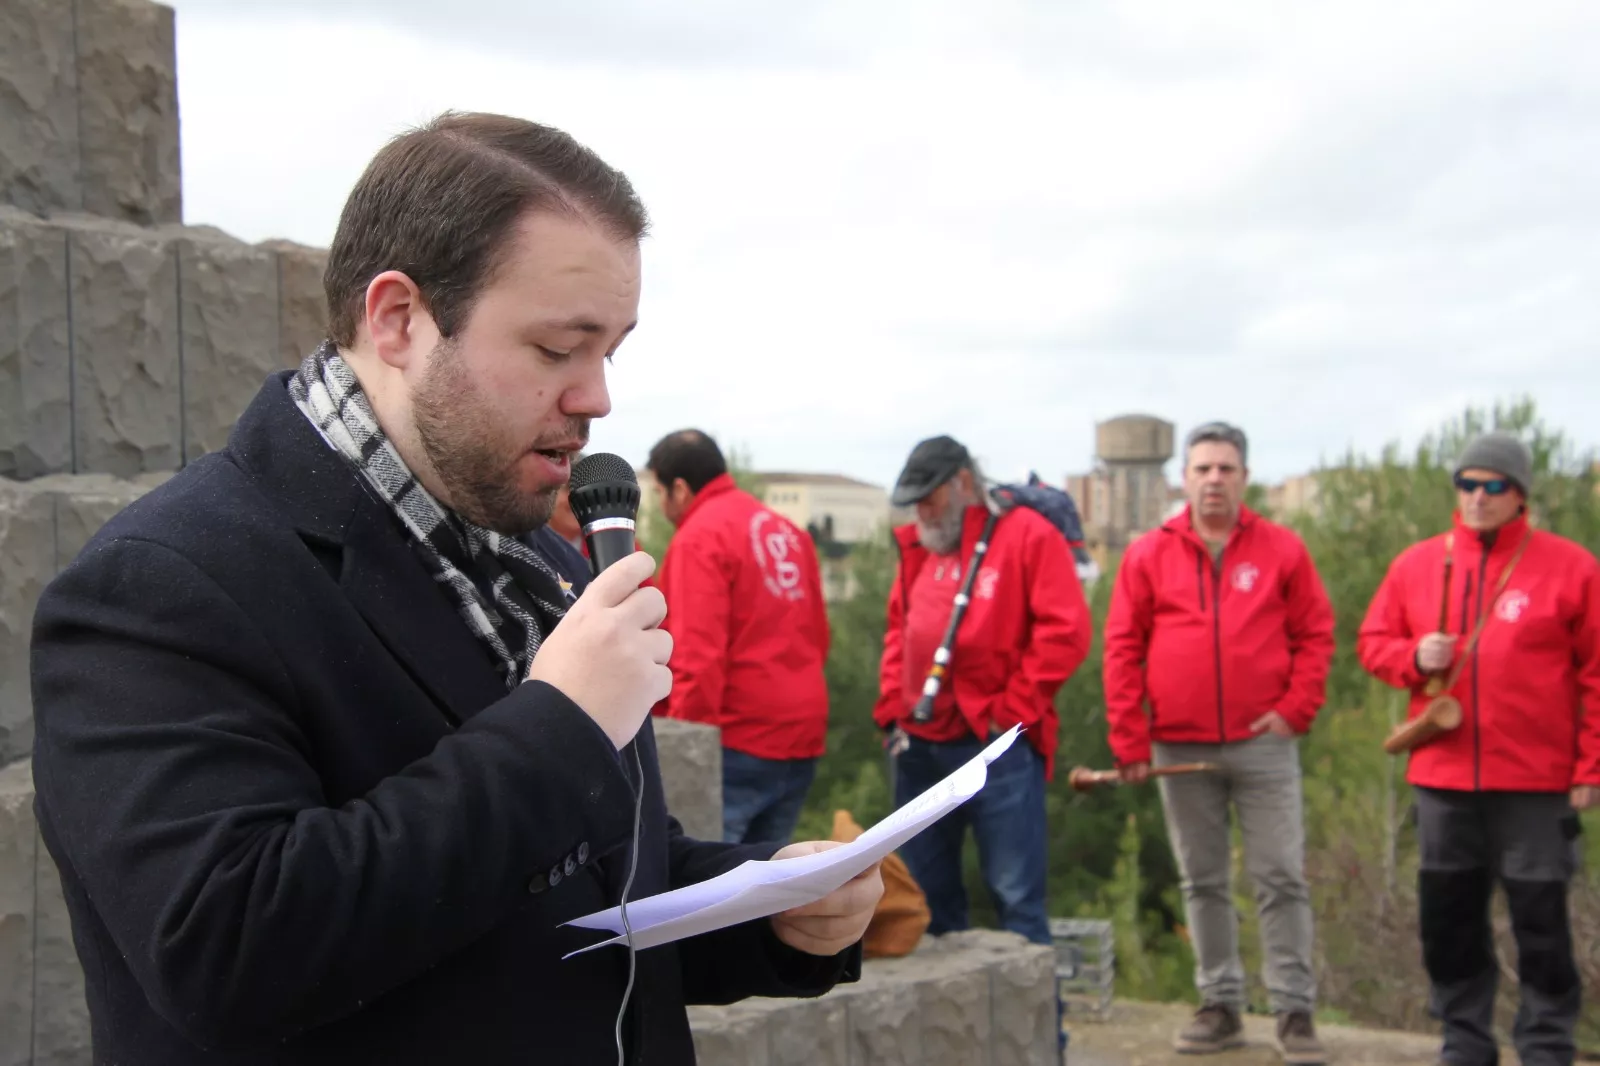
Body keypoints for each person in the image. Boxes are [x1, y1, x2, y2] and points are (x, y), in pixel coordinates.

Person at [27, 111, 878, 1066]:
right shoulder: (159, 587)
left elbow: (584, 890)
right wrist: (560, 724)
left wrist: (767, 905)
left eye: (612, 351)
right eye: (559, 349)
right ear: (398, 320)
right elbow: (229, 951)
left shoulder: (537, 559)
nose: (597, 396)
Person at [1357, 431, 1599, 1066]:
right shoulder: (1415, 564)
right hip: (1443, 776)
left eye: (1494, 486)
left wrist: (1590, 766)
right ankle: (1464, 1041)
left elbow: (1596, 675)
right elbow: (1371, 642)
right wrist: (1411, 655)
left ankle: (1547, 1044)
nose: (1478, 497)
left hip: (1536, 780)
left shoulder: (1572, 568)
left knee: (1541, 921)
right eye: (1467, 484)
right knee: (1449, 920)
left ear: (1520, 495)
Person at [1102, 421, 1335, 1064]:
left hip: (1264, 746)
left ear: (1244, 478)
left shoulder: (1283, 550)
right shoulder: (1149, 553)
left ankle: (1293, 1011)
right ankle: (1221, 1005)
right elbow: (1122, 647)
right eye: (1202, 469)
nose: (1213, 480)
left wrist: (1296, 709)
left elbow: (1316, 634)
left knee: (1280, 876)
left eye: (1225, 469)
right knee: (1201, 880)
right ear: (1185, 477)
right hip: (1178, 748)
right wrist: (1130, 738)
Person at [873, 434, 1091, 946]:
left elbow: (1066, 633)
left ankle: (1039, 1027)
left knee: (1016, 896)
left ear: (964, 483)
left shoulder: (1027, 537)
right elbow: (898, 629)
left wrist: (1009, 712)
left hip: (998, 749)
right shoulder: (920, 547)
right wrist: (890, 709)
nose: (922, 510)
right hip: (921, 746)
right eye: (914, 500)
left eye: (931, 495)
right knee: (927, 899)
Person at [646, 430, 831, 845]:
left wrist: (685, 754)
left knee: (714, 895)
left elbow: (696, 658)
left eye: (660, 492)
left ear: (680, 488)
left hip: (737, 744)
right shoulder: (787, 531)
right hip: (801, 737)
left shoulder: (699, 538)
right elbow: (819, 636)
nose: (661, 506)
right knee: (771, 892)